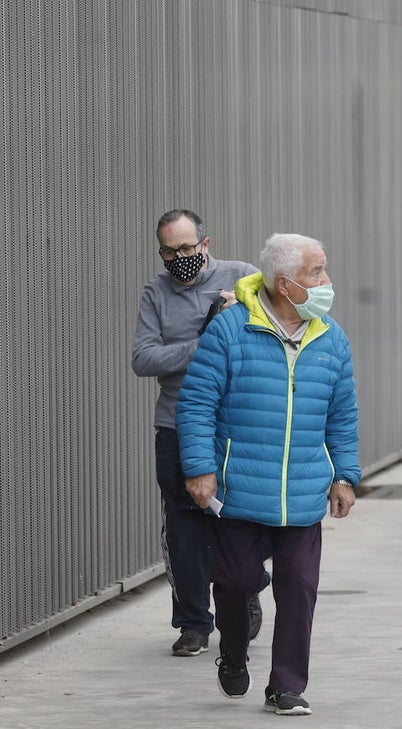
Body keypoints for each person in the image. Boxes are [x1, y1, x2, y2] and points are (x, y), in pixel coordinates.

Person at [177, 232, 360, 716]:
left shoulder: (331, 337)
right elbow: (196, 404)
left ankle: (286, 686)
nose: (326, 280)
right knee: (236, 583)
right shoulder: (230, 330)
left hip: (303, 490)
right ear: (284, 284)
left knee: (298, 589)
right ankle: (233, 652)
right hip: (239, 487)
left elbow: (342, 415)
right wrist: (200, 468)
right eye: (316, 272)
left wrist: (345, 475)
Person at [132, 208, 265, 657]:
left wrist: (237, 314)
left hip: (234, 421)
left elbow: (272, 330)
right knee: (184, 527)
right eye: (169, 252)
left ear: (205, 245)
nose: (179, 258)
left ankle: (247, 589)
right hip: (175, 422)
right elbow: (143, 359)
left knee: (241, 519)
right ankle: (193, 622)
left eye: (187, 248)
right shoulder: (155, 294)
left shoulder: (243, 277)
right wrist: (205, 342)